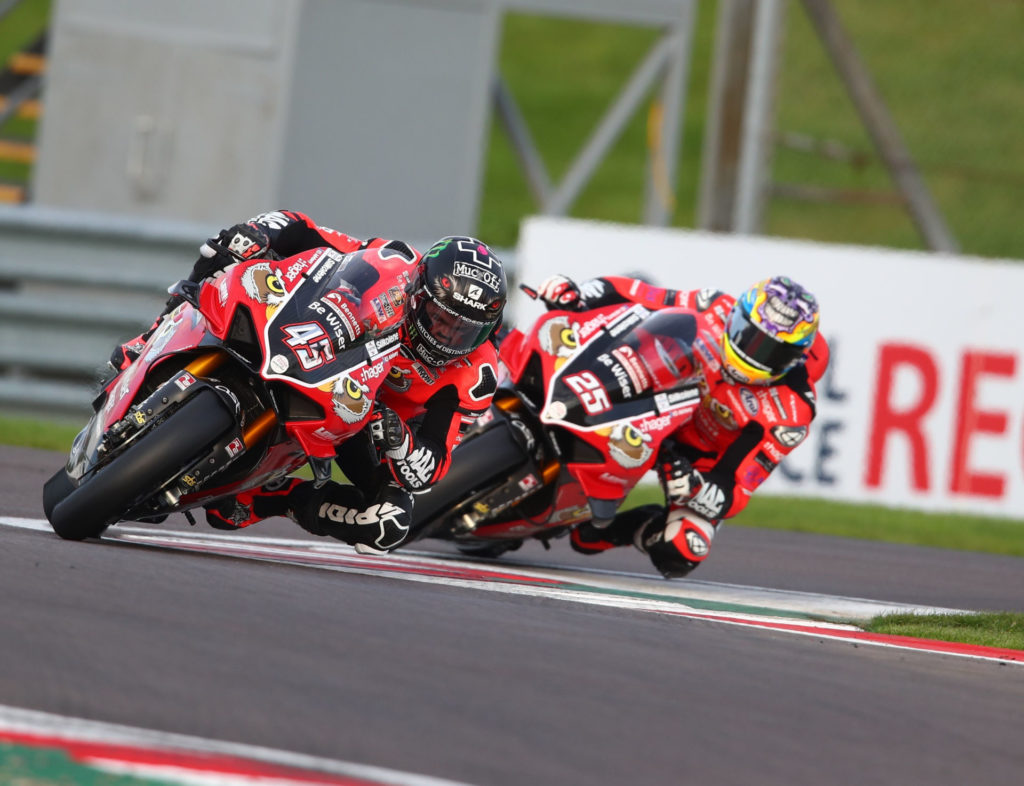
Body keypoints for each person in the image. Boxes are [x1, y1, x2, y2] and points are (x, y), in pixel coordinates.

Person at [112, 211, 507, 553]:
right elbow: (300, 228)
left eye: (463, 330)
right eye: (440, 318)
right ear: (418, 292)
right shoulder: (392, 262)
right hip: (316, 347)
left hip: (364, 420)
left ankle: (270, 498)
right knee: (224, 250)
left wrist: (400, 441)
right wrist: (258, 234)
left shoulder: (477, 374)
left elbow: (432, 464)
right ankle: (147, 341)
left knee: (388, 523)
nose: (446, 336)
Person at [533, 272, 828, 578]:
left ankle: (612, 530)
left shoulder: (793, 411)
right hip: (650, 404)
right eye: (746, 334)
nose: (751, 353)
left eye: (770, 351)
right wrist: (580, 294)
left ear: (795, 358)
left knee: (685, 549)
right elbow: (638, 294)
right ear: (736, 315)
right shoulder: (712, 305)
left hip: (694, 460)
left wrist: (696, 489)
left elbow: (738, 487)